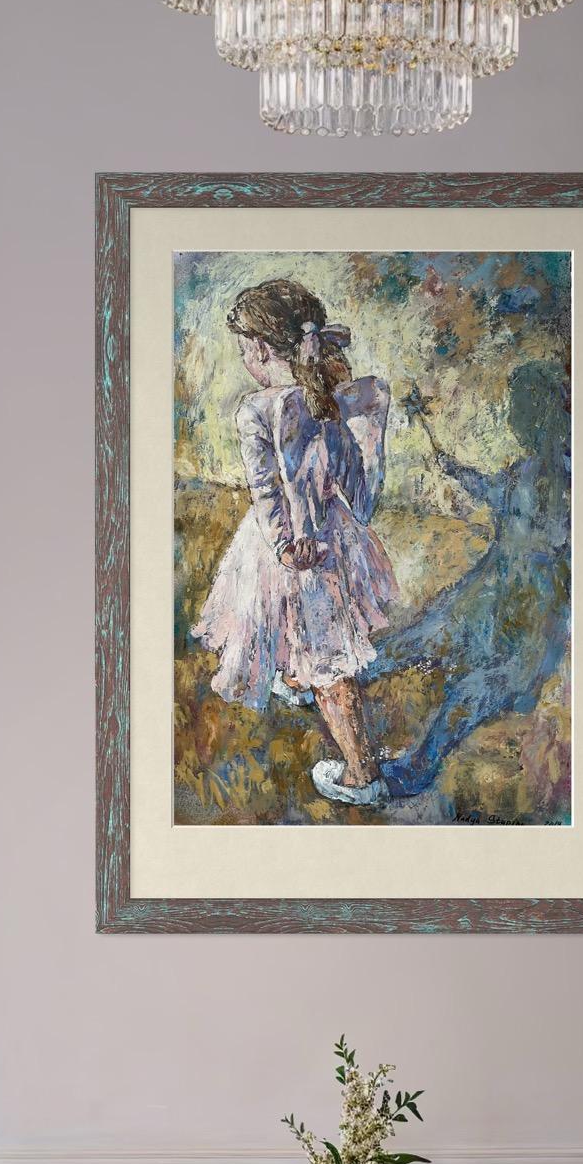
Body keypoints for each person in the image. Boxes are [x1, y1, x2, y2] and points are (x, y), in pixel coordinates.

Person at [193, 277, 395, 809]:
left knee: (327, 653)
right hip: (334, 536)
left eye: (244, 349)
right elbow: (355, 480)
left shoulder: (256, 410)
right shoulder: (337, 398)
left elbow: (266, 490)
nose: (244, 359)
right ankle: (299, 681)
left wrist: (286, 543)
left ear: (262, 348)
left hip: (289, 546)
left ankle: (361, 772)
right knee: (307, 627)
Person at [382, 357, 573, 808]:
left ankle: (412, 772)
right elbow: (489, 489)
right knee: (416, 636)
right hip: (485, 600)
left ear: (546, 411)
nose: (512, 419)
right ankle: (332, 682)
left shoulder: (573, 483)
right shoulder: (522, 472)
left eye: (521, 407)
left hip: (529, 625)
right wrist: (448, 464)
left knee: (468, 693)